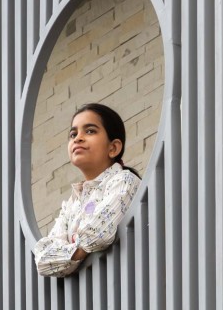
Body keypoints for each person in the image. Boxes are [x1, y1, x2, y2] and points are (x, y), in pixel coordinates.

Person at [33, 103, 142, 277]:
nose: (78, 138)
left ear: (113, 148)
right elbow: (43, 259)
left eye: (90, 131)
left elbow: (99, 233)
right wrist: (80, 250)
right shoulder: (73, 203)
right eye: (73, 134)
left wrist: (69, 252)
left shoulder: (124, 181)